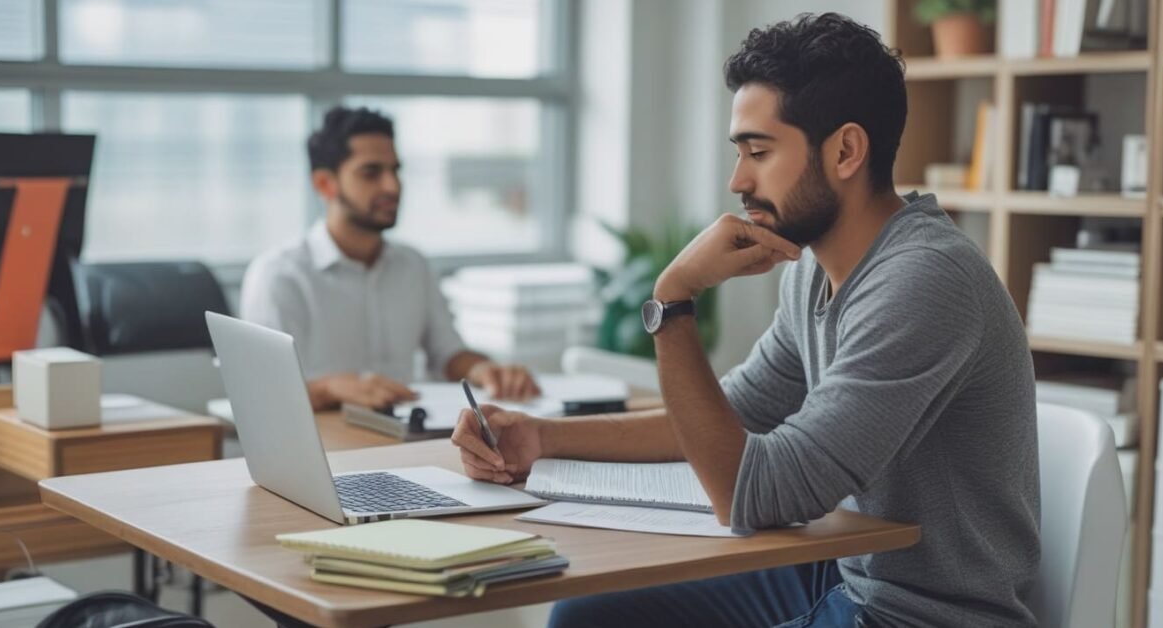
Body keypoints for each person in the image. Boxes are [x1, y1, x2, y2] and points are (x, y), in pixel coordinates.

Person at [451, 13, 1039, 628]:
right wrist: (543, 438)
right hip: (838, 574)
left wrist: (674, 302)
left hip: (920, 614)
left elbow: (754, 493)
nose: (738, 180)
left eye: (759, 152)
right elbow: (730, 418)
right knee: (587, 618)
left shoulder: (924, 280)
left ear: (845, 151)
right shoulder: (812, 272)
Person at [242, 106, 539, 411]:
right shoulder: (279, 276)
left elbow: (448, 353)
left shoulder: (413, 265)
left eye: (395, 170)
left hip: (408, 430)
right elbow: (264, 394)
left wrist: (485, 370)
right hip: (327, 435)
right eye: (371, 173)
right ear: (325, 184)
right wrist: (331, 389)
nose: (392, 186)